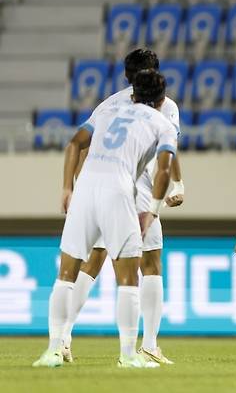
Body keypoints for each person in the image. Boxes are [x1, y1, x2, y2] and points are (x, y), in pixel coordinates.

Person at [33, 70, 178, 368]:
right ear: (161, 99)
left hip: (85, 189)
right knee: (127, 278)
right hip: (118, 192)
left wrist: (67, 188)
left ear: (133, 92)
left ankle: (53, 350)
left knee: (66, 275)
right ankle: (128, 355)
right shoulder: (163, 123)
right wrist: (151, 210)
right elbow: (164, 170)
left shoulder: (108, 110)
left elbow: (75, 143)